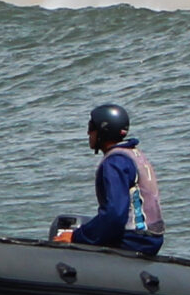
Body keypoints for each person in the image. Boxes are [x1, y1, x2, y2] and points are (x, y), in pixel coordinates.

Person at [55, 102, 163, 255]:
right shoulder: (133, 154)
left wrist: (76, 237)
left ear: (103, 131)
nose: (88, 133)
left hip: (133, 240)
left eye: (91, 127)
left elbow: (115, 215)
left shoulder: (115, 162)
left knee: (65, 239)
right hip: (152, 238)